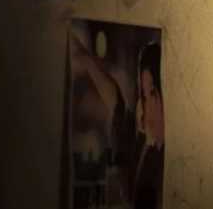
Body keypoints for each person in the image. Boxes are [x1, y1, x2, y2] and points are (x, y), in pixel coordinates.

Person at [70, 33, 164, 209]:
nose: (145, 109)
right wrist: (86, 59)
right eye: (143, 96)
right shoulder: (142, 147)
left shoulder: (164, 165)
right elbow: (116, 105)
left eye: (152, 93)